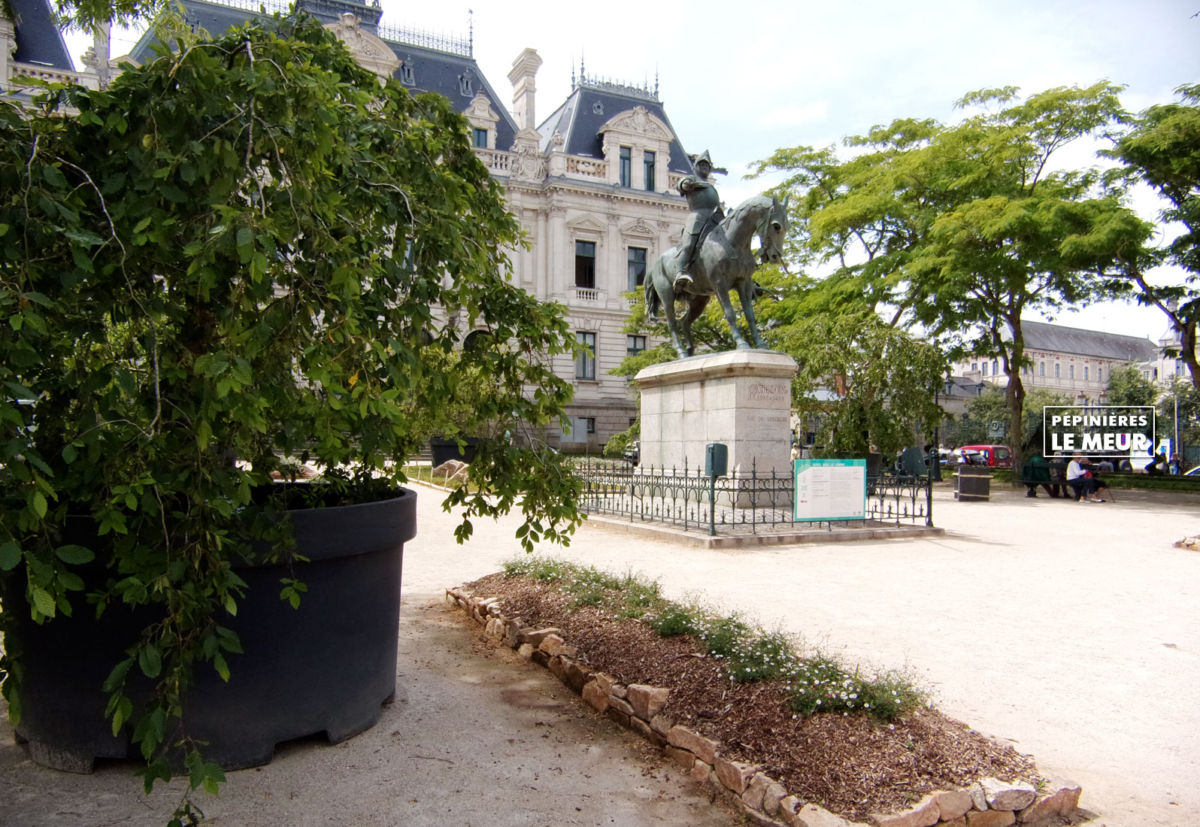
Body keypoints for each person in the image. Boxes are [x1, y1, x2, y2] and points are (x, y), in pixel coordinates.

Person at [674, 151, 725, 292]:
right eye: (701, 164)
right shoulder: (691, 179)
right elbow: (681, 185)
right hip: (697, 216)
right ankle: (680, 272)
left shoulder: (710, 185)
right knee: (689, 243)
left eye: (707, 165)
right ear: (695, 166)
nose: (704, 167)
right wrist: (688, 184)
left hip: (714, 217)